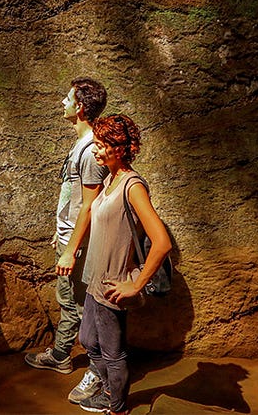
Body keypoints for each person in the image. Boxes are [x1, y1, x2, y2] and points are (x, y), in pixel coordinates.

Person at [74, 114, 172, 415]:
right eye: (96, 144)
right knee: (88, 340)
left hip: (113, 285)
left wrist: (136, 284)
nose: (96, 150)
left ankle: (117, 407)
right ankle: (107, 392)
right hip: (96, 281)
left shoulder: (132, 185)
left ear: (120, 149)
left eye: (102, 145)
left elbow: (162, 242)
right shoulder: (109, 179)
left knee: (113, 355)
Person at [25, 78, 109, 404]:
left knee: (85, 308)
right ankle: (61, 353)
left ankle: (97, 374)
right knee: (70, 301)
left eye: (68, 97)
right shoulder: (83, 144)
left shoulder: (90, 151)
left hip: (80, 241)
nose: (63, 101)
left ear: (81, 107)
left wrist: (71, 250)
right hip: (70, 237)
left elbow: (90, 205)